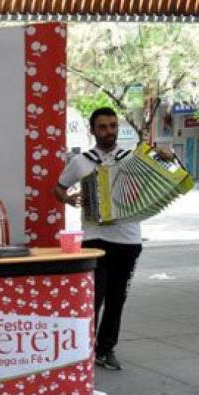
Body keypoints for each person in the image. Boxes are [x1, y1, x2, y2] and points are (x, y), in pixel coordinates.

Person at [52, 107, 174, 371]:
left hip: (128, 241)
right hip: (94, 239)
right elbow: (58, 189)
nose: (109, 132)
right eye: (103, 127)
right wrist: (69, 199)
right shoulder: (81, 161)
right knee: (92, 300)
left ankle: (106, 349)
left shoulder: (132, 159)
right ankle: (83, 351)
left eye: (113, 126)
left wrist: (167, 155)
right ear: (92, 130)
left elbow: (165, 169)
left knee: (117, 299)